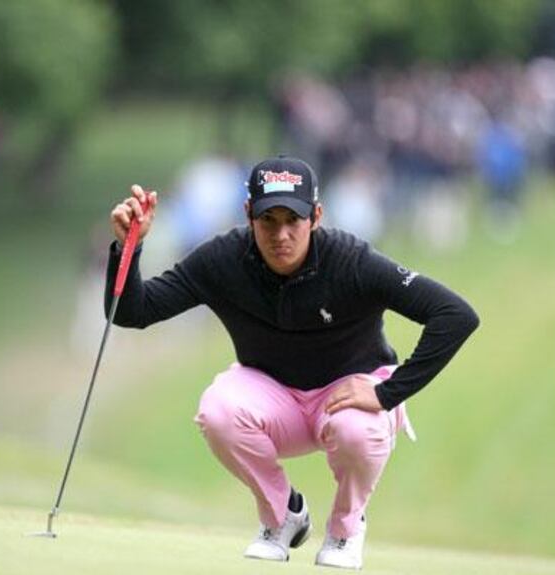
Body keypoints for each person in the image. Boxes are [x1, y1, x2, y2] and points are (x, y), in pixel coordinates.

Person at [105, 156, 479, 569]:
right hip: (272, 397)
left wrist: (388, 392)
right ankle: (283, 517)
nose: (281, 235)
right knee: (217, 411)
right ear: (249, 215)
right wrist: (129, 247)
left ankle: (345, 530)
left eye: (293, 220)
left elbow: (455, 314)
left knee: (359, 430)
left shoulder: (351, 262)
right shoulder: (222, 260)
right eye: (268, 221)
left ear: (316, 216)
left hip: (346, 395)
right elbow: (132, 312)